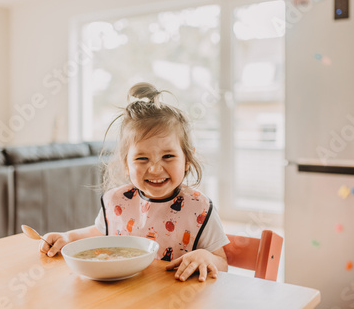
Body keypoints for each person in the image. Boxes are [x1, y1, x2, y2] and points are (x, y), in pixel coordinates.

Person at [40, 82, 229, 282]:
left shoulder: (199, 207)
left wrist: (206, 257)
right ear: (126, 163)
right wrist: (68, 237)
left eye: (168, 156)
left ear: (187, 160)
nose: (155, 169)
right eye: (142, 159)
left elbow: (223, 264)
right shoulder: (117, 200)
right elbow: (99, 232)